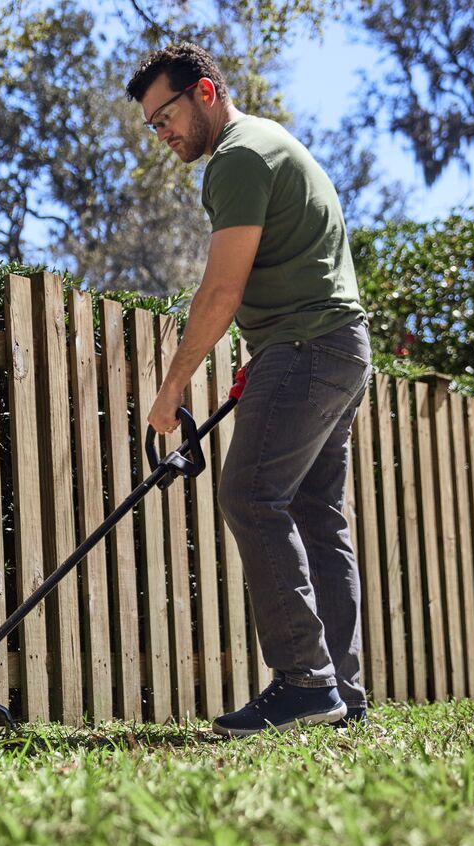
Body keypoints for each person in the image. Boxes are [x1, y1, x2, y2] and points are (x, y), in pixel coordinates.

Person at [127, 43, 373, 736]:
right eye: (152, 125)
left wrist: (172, 387)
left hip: (306, 348)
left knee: (250, 495)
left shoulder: (237, 156)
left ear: (204, 92)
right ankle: (339, 693)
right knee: (319, 516)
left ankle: (304, 681)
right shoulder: (272, 141)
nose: (163, 133)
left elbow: (222, 289)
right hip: (337, 346)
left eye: (166, 114)